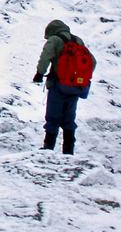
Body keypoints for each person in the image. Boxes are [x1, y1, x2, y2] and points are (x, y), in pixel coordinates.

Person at [33, 19, 96, 154]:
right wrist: (82, 78)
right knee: (69, 119)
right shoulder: (78, 40)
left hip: (58, 85)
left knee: (53, 117)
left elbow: (45, 57)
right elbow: (92, 61)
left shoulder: (55, 40)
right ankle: (68, 152)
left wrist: (39, 74)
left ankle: (48, 149)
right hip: (76, 87)